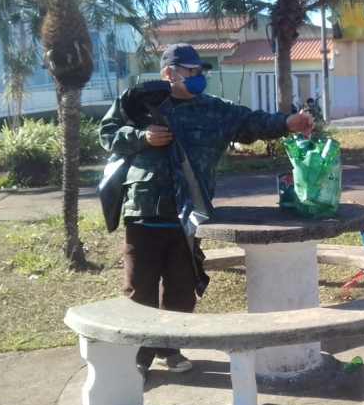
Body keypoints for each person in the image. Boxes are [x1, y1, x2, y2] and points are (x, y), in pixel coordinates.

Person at [99, 43, 314, 379]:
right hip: (146, 208)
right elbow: (107, 133)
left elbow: (252, 121)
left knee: (182, 285)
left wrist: (290, 121)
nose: (199, 76)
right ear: (169, 72)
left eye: (201, 71)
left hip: (190, 214)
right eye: (192, 71)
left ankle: (170, 347)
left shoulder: (216, 110)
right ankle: (139, 356)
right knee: (139, 287)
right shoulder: (140, 102)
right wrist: (142, 136)